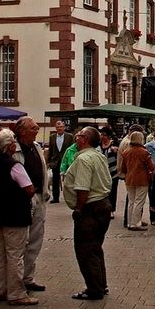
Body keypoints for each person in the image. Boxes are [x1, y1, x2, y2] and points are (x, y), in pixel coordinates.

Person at [0, 129, 38, 306]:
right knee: (15, 255)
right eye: (13, 142)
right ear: (9, 146)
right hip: (15, 214)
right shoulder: (14, 165)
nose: (15, 144)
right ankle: (16, 293)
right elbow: (29, 189)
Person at [63, 126, 113, 300]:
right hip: (103, 205)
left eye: (78, 136)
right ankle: (100, 284)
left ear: (84, 139)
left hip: (90, 208)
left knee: (86, 250)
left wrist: (78, 208)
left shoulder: (84, 159)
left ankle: (94, 288)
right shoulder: (98, 156)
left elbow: (82, 188)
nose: (76, 138)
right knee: (95, 248)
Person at [11, 117, 49, 293]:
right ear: (22, 131)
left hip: (39, 196)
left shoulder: (37, 147)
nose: (37, 130)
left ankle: (28, 277)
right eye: (33, 128)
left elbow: (43, 169)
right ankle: (16, 281)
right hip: (21, 198)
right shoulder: (13, 148)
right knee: (20, 241)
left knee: (35, 239)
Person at [120, 131, 155, 231]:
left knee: (131, 201)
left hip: (129, 179)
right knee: (139, 202)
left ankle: (130, 222)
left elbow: (123, 169)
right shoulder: (144, 152)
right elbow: (151, 167)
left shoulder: (126, 152)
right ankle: (135, 223)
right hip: (142, 179)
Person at [46, 120, 72, 204]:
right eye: (57, 127)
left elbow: (72, 149)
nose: (59, 128)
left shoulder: (70, 136)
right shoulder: (52, 137)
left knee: (69, 180)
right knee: (55, 180)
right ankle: (55, 198)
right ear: (55, 128)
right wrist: (49, 162)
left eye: (61, 127)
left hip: (66, 161)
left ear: (64, 127)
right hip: (55, 162)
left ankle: (70, 197)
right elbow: (50, 150)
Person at [98, 128, 119, 219]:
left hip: (113, 172)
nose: (102, 137)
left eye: (104, 135)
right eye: (101, 134)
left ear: (109, 136)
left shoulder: (114, 144)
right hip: (102, 172)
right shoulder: (98, 145)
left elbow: (119, 157)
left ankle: (111, 210)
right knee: (103, 192)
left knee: (112, 192)